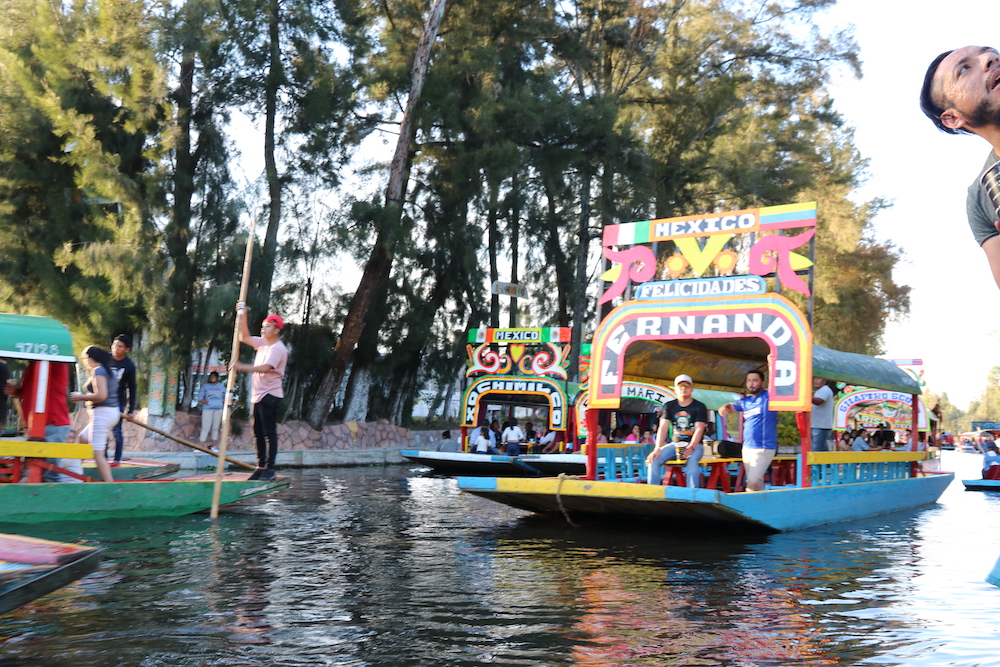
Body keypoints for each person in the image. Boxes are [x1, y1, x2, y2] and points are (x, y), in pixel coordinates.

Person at [921, 47, 1000, 289]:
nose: (990, 59)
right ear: (953, 118)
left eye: (992, 53)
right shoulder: (981, 197)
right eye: (964, 69)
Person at [233, 306, 288, 481]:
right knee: (257, 432)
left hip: (270, 396)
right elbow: (244, 337)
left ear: (277, 330)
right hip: (257, 395)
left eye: (268, 326)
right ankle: (260, 467)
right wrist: (244, 315)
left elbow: (265, 368)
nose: (263, 329)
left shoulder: (278, 348)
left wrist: (241, 366)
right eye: (263, 326)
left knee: (269, 432)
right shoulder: (263, 343)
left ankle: (270, 468)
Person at [5, 361, 77, 481]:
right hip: (41, 426)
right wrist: (17, 392)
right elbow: (36, 390)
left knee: (49, 475)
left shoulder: (51, 361)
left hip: (52, 424)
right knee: (36, 473)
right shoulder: (34, 364)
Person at [719, 370, 778, 492]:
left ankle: (750, 506)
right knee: (757, 483)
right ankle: (760, 508)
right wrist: (724, 406)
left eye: (755, 380)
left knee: (752, 481)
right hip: (747, 448)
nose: (751, 383)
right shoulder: (746, 401)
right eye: (749, 380)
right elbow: (731, 407)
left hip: (763, 447)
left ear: (762, 383)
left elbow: (776, 383)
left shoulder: (768, 397)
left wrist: (771, 364)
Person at [646, 374, 708, 488]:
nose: (683, 389)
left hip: (694, 445)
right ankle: (652, 492)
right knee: (653, 459)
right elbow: (663, 427)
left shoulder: (699, 406)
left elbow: (699, 428)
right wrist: (657, 448)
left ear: (692, 388)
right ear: (675, 389)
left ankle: (693, 495)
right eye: (680, 386)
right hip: (675, 445)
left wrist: (692, 446)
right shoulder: (669, 406)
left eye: (686, 386)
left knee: (692, 460)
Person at [69, 346, 118, 483]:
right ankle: (75, 470)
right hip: (109, 412)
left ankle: (110, 485)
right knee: (83, 438)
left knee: (98, 454)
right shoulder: (106, 370)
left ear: (90, 358)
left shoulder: (99, 371)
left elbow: (101, 395)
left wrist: (81, 397)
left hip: (102, 413)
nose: (84, 361)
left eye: (84, 358)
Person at [109, 334, 138, 466]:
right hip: (103, 401)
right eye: (115, 345)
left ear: (127, 349)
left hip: (118, 403)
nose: (116, 348)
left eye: (120, 346)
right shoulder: (105, 359)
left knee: (117, 431)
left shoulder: (129, 365)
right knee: (101, 432)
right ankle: (102, 459)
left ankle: (116, 460)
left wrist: (130, 410)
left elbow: (132, 388)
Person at [197, 371, 226, 452]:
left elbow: (225, 397)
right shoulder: (205, 386)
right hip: (207, 409)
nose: (212, 378)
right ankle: (200, 446)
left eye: (214, 376)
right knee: (205, 427)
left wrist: (221, 403)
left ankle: (213, 446)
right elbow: (200, 398)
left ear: (217, 378)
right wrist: (208, 403)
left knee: (215, 428)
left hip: (218, 409)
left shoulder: (221, 387)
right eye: (211, 376)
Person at [811, 377, 834, 452]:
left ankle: (818, 464)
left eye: (818, 379)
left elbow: (818, 401)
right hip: (818, 425)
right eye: (815, 379)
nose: (815, 381)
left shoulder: (825, 389)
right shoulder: (820, 391)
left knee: (817, 450)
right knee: (820, 450)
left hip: (820, 426)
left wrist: (805, 396)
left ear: (824, 380)